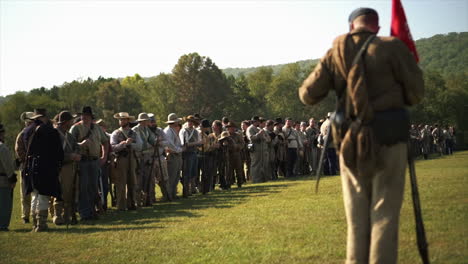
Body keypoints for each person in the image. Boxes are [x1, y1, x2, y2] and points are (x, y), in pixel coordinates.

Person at [299, 7, 424, 263]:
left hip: (350, 142)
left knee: (356, 217)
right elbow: (416, 94)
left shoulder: (337, 50)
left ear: (351, 26)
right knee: (385, 212)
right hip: (389, 139)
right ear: (376, 27)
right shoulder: (394, 47)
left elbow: (308, 94)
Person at [23, 109, 64, 231]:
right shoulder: (49, 130)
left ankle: (35, 223)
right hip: (45, 167)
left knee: (35, 195)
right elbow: (57, 151)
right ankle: (41, 224)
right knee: (43, 196)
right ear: (44, 117)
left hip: (31, 167)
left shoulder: (27, 130)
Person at [70, 106, 109, 221]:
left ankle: (93, 211)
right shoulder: (75, 128)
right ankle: (85, 213)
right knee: (83, 188)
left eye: (87, 115)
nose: (84, 117)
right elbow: (71, 145)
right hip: (82, 161)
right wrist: (81, 144)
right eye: (83, 115)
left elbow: (105, 142)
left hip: (95, 161)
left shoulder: (97, 128)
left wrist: (104, 156)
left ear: (91, 116)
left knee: (93, 187)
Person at [52, 111, 81, 225]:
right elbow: (54, 153)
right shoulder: (55, 134)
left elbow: (76, 147)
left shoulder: (69, 135)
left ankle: (67, 215)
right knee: (59, 192)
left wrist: (77, 154)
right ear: (66, 122)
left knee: (69, 193)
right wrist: (71, 156)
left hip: (70, 167)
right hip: (60, 167)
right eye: (71, 120)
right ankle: (57, 215)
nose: (73, 122)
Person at [110, 112, 141, 211]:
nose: (121, 121)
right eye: (120, 119)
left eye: (123, 119)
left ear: (128, 120)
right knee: (121, 183)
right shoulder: (116, 133)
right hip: (121, 159)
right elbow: (113, 147)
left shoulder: (134, 133)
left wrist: (131, 145)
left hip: (132, 158)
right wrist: (123, 144)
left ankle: (132, 204)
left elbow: (140, 145)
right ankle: (121, 206)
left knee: (132, 182)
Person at [14, 111, 35, 224]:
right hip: (26, 165)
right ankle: (25, 215)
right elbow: (18, 150)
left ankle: (34, 213)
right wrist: (27, 160)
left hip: (34, 165)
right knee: (25, 192)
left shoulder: (36, 133)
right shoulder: (22, 135)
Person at [132, 113, 157, 206]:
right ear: (142, 121)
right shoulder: (135, 130)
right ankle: (137, 201)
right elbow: (137, 145)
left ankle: (147, 200)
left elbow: (152, 140)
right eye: (147, 120)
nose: (148, 122)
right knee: (138, 180)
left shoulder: (147, 130)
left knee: (148, 178)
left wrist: (155, 142)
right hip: (138, 157)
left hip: (147, 156)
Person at [179, 115, 203, 197]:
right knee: (187, 173)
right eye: (189, 121)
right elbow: (184, 144)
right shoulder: (184, 131)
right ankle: (186, 190)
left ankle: (192, 189)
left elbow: (200, 143)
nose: (190, 123)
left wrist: (196, 143)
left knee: (194, 172)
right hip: (186, 154)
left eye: (191, 122)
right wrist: (195, 143)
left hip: (194, 153)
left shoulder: (196, 132)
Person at [0, 123, 17, 231]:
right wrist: (12, 178)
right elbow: (8, 165)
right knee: (4, 205)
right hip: (2, 180)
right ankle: (2, 225)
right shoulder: (2, 147)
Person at [163, 113, 183, 200]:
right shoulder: (167, 131)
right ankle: (169, 195)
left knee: (176, 175)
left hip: (176, 154)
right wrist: (179, 150)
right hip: (172, 155)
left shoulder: (173, 130)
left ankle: (173, 194)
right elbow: (170, 145)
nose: (178, 122)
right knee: (172, 175)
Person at [246, 116, 268, 183]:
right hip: (255, 149)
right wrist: (259, 134)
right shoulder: (250, 128)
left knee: (261, 164)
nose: (259, 122)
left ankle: (261, 178)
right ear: (254, 121)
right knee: (255, 164)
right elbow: (251, 138)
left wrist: (264, 137)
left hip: (261, 149)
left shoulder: (258, 128)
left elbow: (264, 137)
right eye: (258, 121)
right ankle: (255, 179)